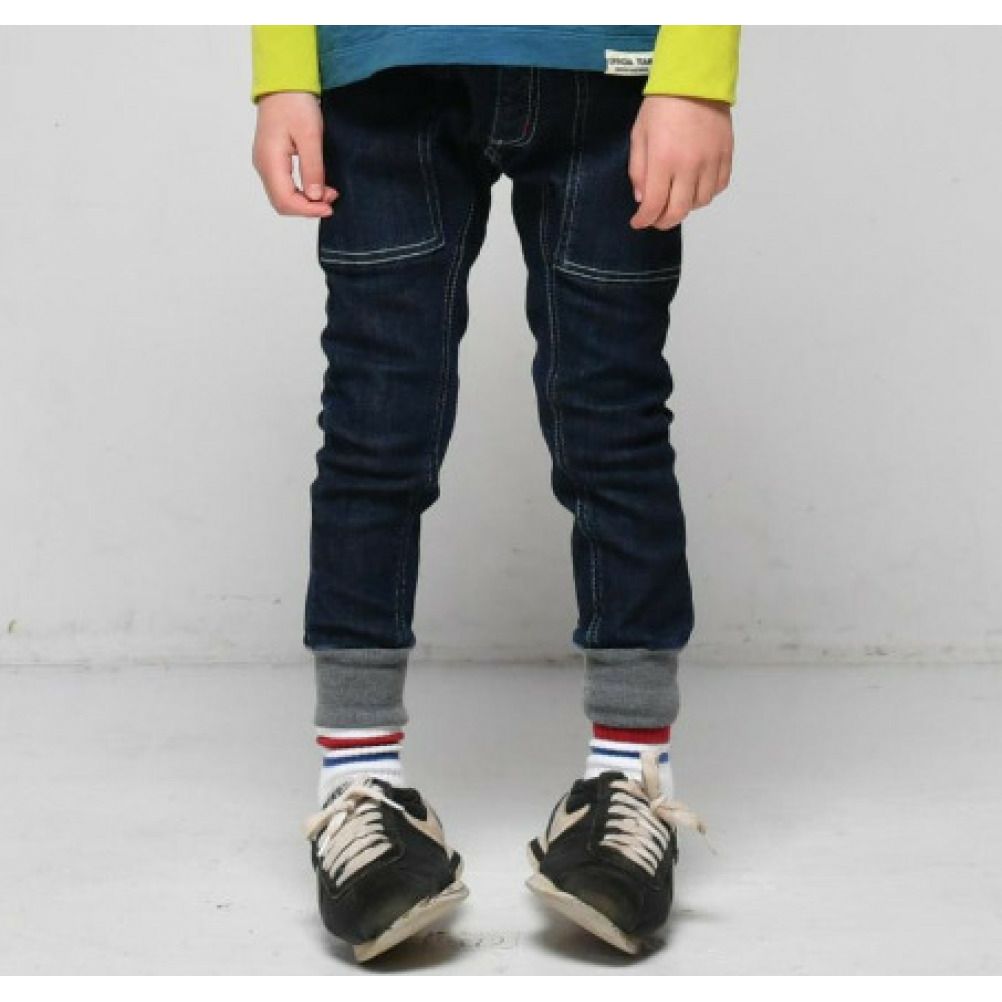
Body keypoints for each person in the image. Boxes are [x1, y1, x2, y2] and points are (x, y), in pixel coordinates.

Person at [251, 24, 740, 962]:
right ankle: (356, 782)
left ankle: (632, 775)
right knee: (375, 424)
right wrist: (283, 72)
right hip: (383, 63)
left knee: (612, 423)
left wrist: (697, 69)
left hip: (611, 65)